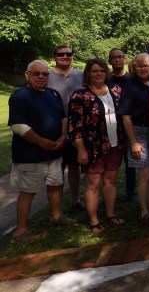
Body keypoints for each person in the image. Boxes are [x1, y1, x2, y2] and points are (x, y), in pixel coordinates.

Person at [8, 60, 77, 243]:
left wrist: (62, 137)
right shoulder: (20, 96)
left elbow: (63, 118)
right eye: (36, 73)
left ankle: (56, 215)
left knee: (55, 184)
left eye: (44, 74)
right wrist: (42, 142)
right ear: (27, 75)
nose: (40, 77)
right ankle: (20, 232)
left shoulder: (52, 94)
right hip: (30, 155)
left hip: (54, 151)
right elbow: (18, 125)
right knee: (28, 191)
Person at [68, 59, 125, 233]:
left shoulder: (116, 91)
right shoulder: (80, 96)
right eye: (94, 71)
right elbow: (74, 126)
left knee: (111, 180)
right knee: (93, 183)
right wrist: (81, 149)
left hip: (115, 144)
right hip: (93, 146)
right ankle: (94, 221)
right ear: (88, 74)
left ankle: (110, 214)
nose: (98, 74)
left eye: (101, 70)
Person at [118, 54, 149, 225]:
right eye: (139, 66)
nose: (143, 69)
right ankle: (143, 212)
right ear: (134, 68)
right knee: (145, 174)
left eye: (146, 65)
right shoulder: (130, 87)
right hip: (139, 132)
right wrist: (133, 141)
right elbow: (125, 116)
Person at [47, 44, 84, 212]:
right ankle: (57, 206)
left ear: (72, 56)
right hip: (54, 128)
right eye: (60, 54)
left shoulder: (81, 76)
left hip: (77, 128)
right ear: (54, 57)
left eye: (68, 53)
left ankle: (76, 200)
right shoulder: (46, 76)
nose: (64, 56)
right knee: (56, 168)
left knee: (75, 166)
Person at [108, 48, 136, 201]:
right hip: (111, 122)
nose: (117, 60)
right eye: (114, 58)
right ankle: (109, 191)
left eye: (120, 57)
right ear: (110, 61)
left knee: (130, 161)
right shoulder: (106, 79)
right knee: (111, 161)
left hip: (129, 122)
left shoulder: (131, 78)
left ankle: (131, 191)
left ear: (125, 59)